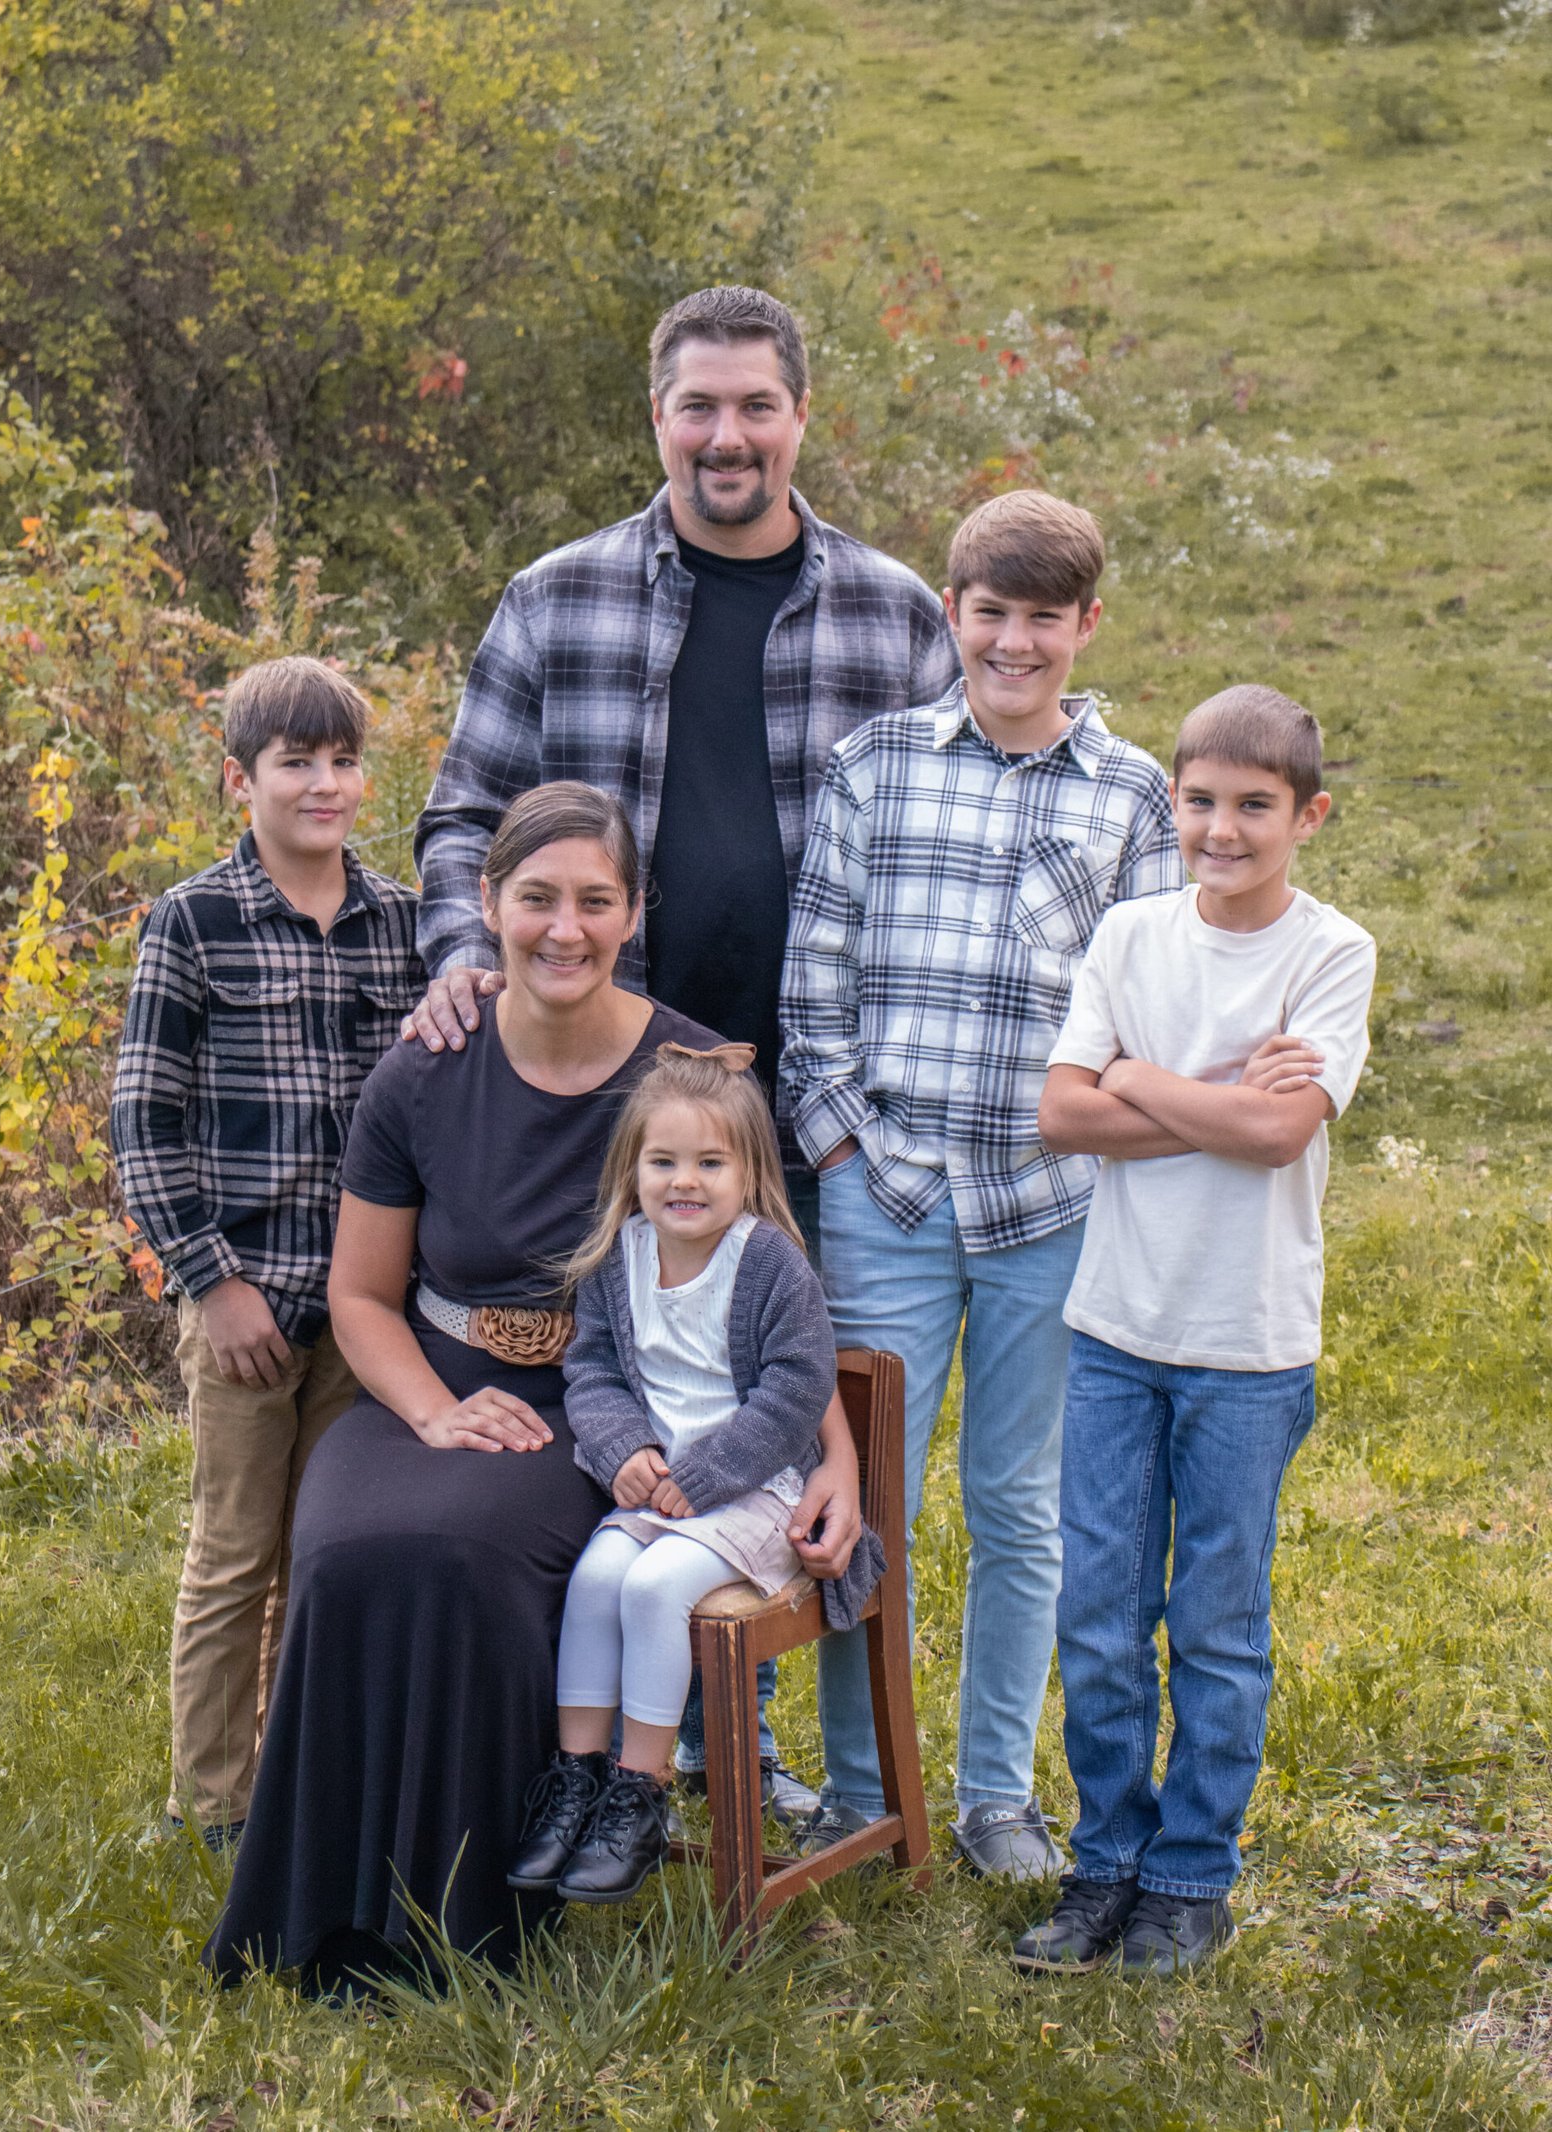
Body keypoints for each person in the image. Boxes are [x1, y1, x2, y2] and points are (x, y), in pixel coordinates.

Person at [405, 283, 958, 1810]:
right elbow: (460, 817)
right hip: (621, 1110)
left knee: (808, 1405)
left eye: (755, 406)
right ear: (656, 417)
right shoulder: (556, 598)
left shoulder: (895, 614)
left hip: (832, 1101)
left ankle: (806, 1759)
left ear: (801, 415)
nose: (728, 436)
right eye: (697, 407)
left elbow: (959, 838)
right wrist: (468, 959)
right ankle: (653, 1740)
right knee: (647, 1394)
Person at [201, 784, 861, 1993]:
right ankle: (324, 1905)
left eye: (594, 901)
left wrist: (839, 1455)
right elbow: (360, 1295)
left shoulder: (693, 1076)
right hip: (434, 1377)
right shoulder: (425, 1068)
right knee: (349, 1545)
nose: (564, 928)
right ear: (489, 904)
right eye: (537, 898)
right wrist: (433, 1409)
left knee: (466, 1551)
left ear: (632, 911)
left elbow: (778, 1285)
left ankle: (479, 1905)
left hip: (622, 1408)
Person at [780, 489, 1183, 1879]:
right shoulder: (874, 765)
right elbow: (814, 983)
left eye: (1043, 621)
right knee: (857, 1504)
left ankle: (995, 1794)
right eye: (990, 615)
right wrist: (841, 1147)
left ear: (1085, 628)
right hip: (882, 1196)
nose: (1014, 644)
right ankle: (855, 1782)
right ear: (951, 615)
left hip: (1046, 1209)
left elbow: (1149, 1015)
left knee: (1020, 1505)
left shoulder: (1131, 800)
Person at [1016, 685, 1375, 1976]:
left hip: (1248, 1347)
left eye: (1254, 808)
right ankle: (1104, 1859)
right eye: (1201, 801)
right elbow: (1062, 1116)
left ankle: (1190, 1876)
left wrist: (1141, 1081)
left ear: (1308, 815)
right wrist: (1213, 1097)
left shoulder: (1332, 954)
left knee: (1214, 1623)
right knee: (1099, 1613)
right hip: (1116, 1327)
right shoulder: (1128, 934)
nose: (1221, 830)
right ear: (1172, 800)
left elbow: (1283, 1131)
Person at [110, 657, 422, 1846]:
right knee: (236, 1552)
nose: (324, 783)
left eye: (342, 761)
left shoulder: (399, 923)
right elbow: (144, 1119)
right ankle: (209, 1805)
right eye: (296, 762)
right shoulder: (191, 921)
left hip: (362, 1302)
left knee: (322, 1550)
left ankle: (294, 1781)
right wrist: (210, 1280)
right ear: (240, 777)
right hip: (243, 1294)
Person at [508, 1047, 881, 1905]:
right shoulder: (618, 1257)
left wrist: (707, 1472)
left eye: (711, 1162)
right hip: (668, 1491)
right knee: (599, 1576)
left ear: (749, 1171)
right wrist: (622, 1449)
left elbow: (798, 1384)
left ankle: (641, 1795)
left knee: (655, 1587)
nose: (686, 1182)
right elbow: (594, 1372)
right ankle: (576, 1782)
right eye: (664, 1161)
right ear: (631, 1169)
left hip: (758, 1493)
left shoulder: (769, 1263)